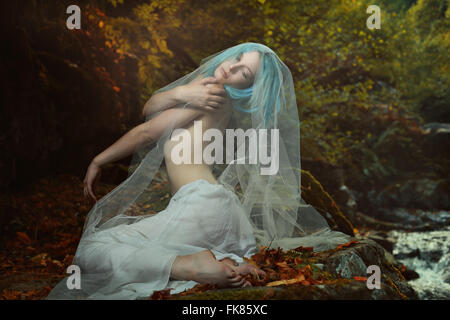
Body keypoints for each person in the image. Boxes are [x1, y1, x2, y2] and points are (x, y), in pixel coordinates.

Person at [46, 42, 351, 300]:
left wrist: (99, 160)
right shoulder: (205, 92)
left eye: (243, 72)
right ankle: (224, 261)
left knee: (93, 248)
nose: (231, 68)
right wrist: (183, 93)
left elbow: (149, 131)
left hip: (202, 204)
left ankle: (189, 266)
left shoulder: (214, 94)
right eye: (237, 58)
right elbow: (150, 108)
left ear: (247, 88)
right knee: (110, 247)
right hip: (211, 207)